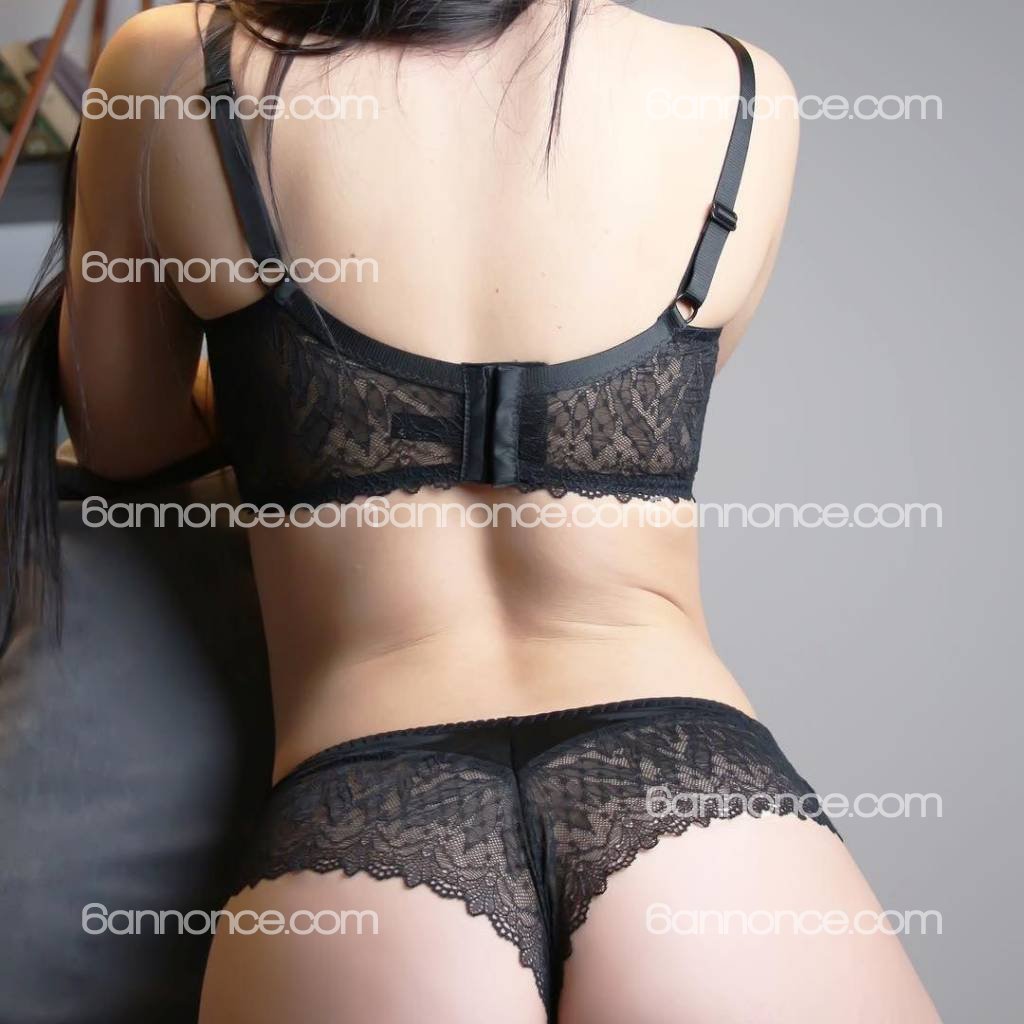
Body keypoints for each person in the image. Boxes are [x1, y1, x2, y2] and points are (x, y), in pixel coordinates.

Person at [2, 1, 941, 1021]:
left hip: (369, 799)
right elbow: (655, 418)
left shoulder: (171, 63)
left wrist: (294, 396)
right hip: (691, 778)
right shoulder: (740, 92)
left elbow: (123, 439)